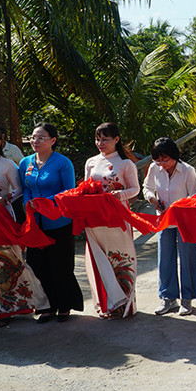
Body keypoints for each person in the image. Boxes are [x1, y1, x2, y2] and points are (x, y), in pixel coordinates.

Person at [0, 124, 48, 327]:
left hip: (1, 218)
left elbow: (19, 189)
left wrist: (5, 197)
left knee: (9, 262)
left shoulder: (7, 164)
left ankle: (14, 307)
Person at [21, 123, 83, 323]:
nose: (35, 141)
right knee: (37, 264)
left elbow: (68, 191)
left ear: (52, 141)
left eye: (40, 138)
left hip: (58, 221)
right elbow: (26, 188)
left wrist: (46, 202)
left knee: (60, 265)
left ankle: (65, 304)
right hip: (35, 223)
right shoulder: (26, 163)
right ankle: (48, 305)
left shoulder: (63, 163)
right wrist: (27, 203)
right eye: (32, 137)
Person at [83, 122, 140, 319]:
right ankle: (106, 305)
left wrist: (120, 194)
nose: (100, 143)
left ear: (116, 139)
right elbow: (85, 188)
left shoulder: (126, 164)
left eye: (105, 139)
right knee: (100, 259)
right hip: (95, 218)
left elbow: (135, 189)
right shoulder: (91, 162)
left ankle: (125, 305)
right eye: (98, 139)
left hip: (118, 217)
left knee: (121, 258)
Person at [143, 137, 196, 316]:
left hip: (185, 221)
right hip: (164, 220)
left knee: (188, 258)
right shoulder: (154, 169)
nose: (162, 164)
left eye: (165, 159)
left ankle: (187, 298)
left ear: (174, 156)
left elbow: (195, 195)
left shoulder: (187, 171)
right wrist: (152, 199)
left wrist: (180, 207)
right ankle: (168, 298)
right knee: (165, 258)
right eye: (157, 160)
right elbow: (147, 188)